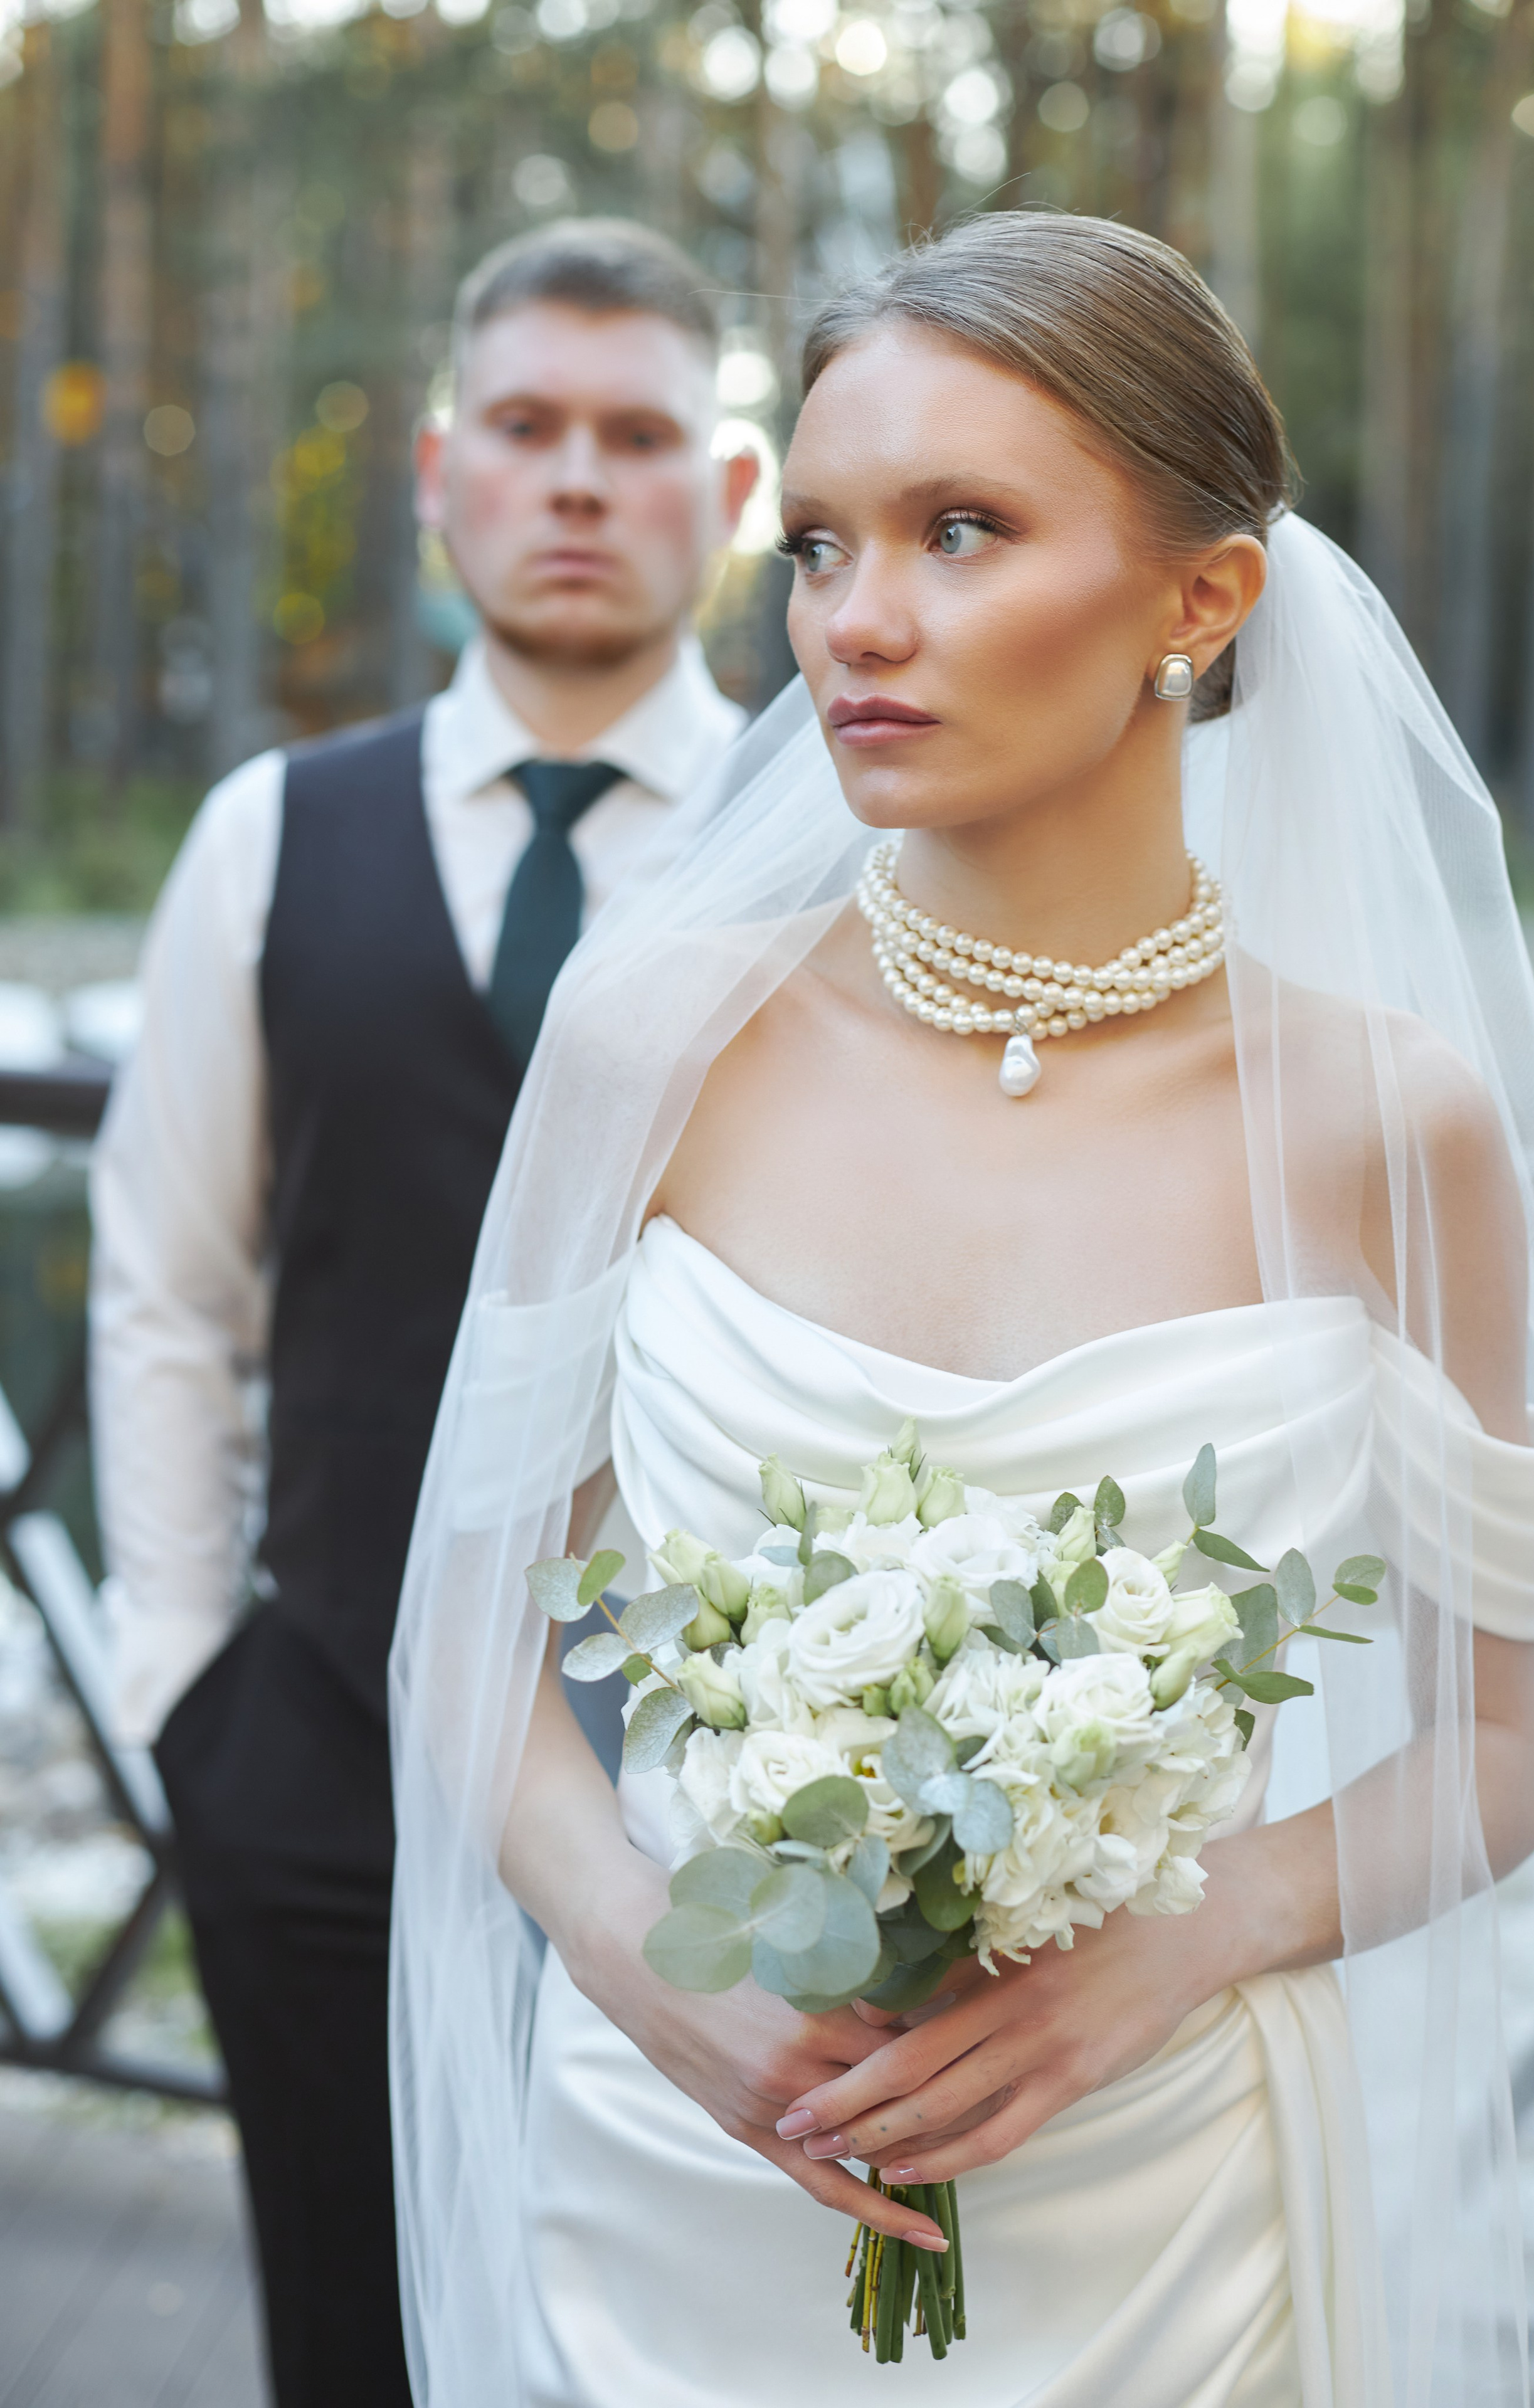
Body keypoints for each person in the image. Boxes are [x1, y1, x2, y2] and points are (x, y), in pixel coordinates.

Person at [387, 214, 1534, 2407]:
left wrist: (1192, 1932)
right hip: (676, 2177)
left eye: (962, 533)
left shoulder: (1384, 1121)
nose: (859, 620)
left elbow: (1501, 1746)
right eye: (828, 543)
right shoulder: (660, 1033)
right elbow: (471, 1640)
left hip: (1150, 2208)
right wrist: (665, 1986)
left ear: (1201, 598)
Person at [88, 217, 757, 2408]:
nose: (581, 482)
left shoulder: (838, 829)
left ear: (733, 500)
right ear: (444, 475)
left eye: (640, 435)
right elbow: (171, 1301)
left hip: (736, 1816)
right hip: (321, 1761)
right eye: (532, 432)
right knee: (350, 2350)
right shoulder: (271, 836)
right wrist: (189, 1692)